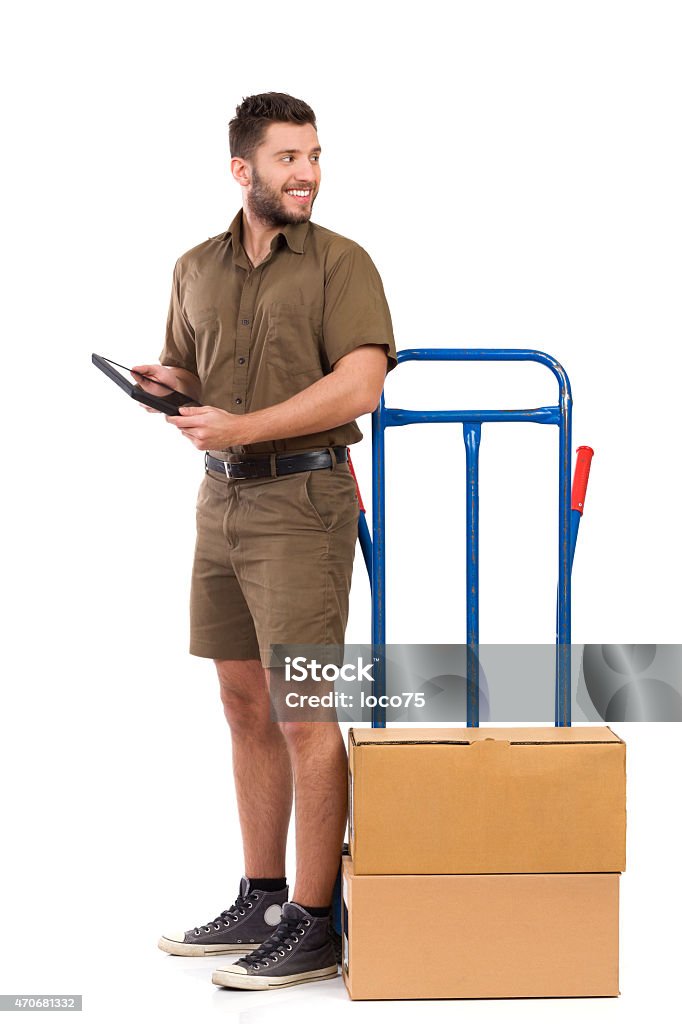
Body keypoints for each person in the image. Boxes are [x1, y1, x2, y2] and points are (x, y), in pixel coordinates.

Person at [132, 92, 397, 991]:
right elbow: (194, 368)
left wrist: (243, 428)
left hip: (305, 504)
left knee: (304, 713)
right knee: (243, 706)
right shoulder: (194, 267)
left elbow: (360, 383)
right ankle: (265, 894)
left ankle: (317, 923)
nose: (308, 173)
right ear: (242, 170)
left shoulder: (340, 263)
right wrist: (167, 382)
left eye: (314, 155)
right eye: (288, 158)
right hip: (222, 509)